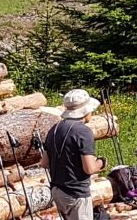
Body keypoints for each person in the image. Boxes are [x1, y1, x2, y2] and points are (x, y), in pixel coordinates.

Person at [44, 89, 106, 220]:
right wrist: (101, 162)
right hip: (76, 192)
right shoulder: (83, 132)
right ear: (86, 111)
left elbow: (44, 162)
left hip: (58, 191)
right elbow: (89, 169)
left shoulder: (54, 129)